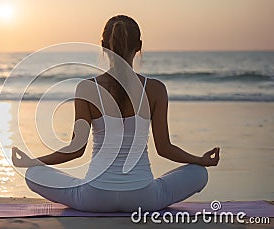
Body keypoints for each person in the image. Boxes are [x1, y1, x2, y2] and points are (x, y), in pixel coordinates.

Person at [12, 15, 220, 212]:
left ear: (103, 46)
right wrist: (201, 160)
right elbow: (164, 149)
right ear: (138, 47)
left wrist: (32, 161)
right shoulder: (156, 89)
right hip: (144, 198)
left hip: (93, 198)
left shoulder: (86, 88)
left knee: (34, 174)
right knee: (198, 174)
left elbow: (75, 150)